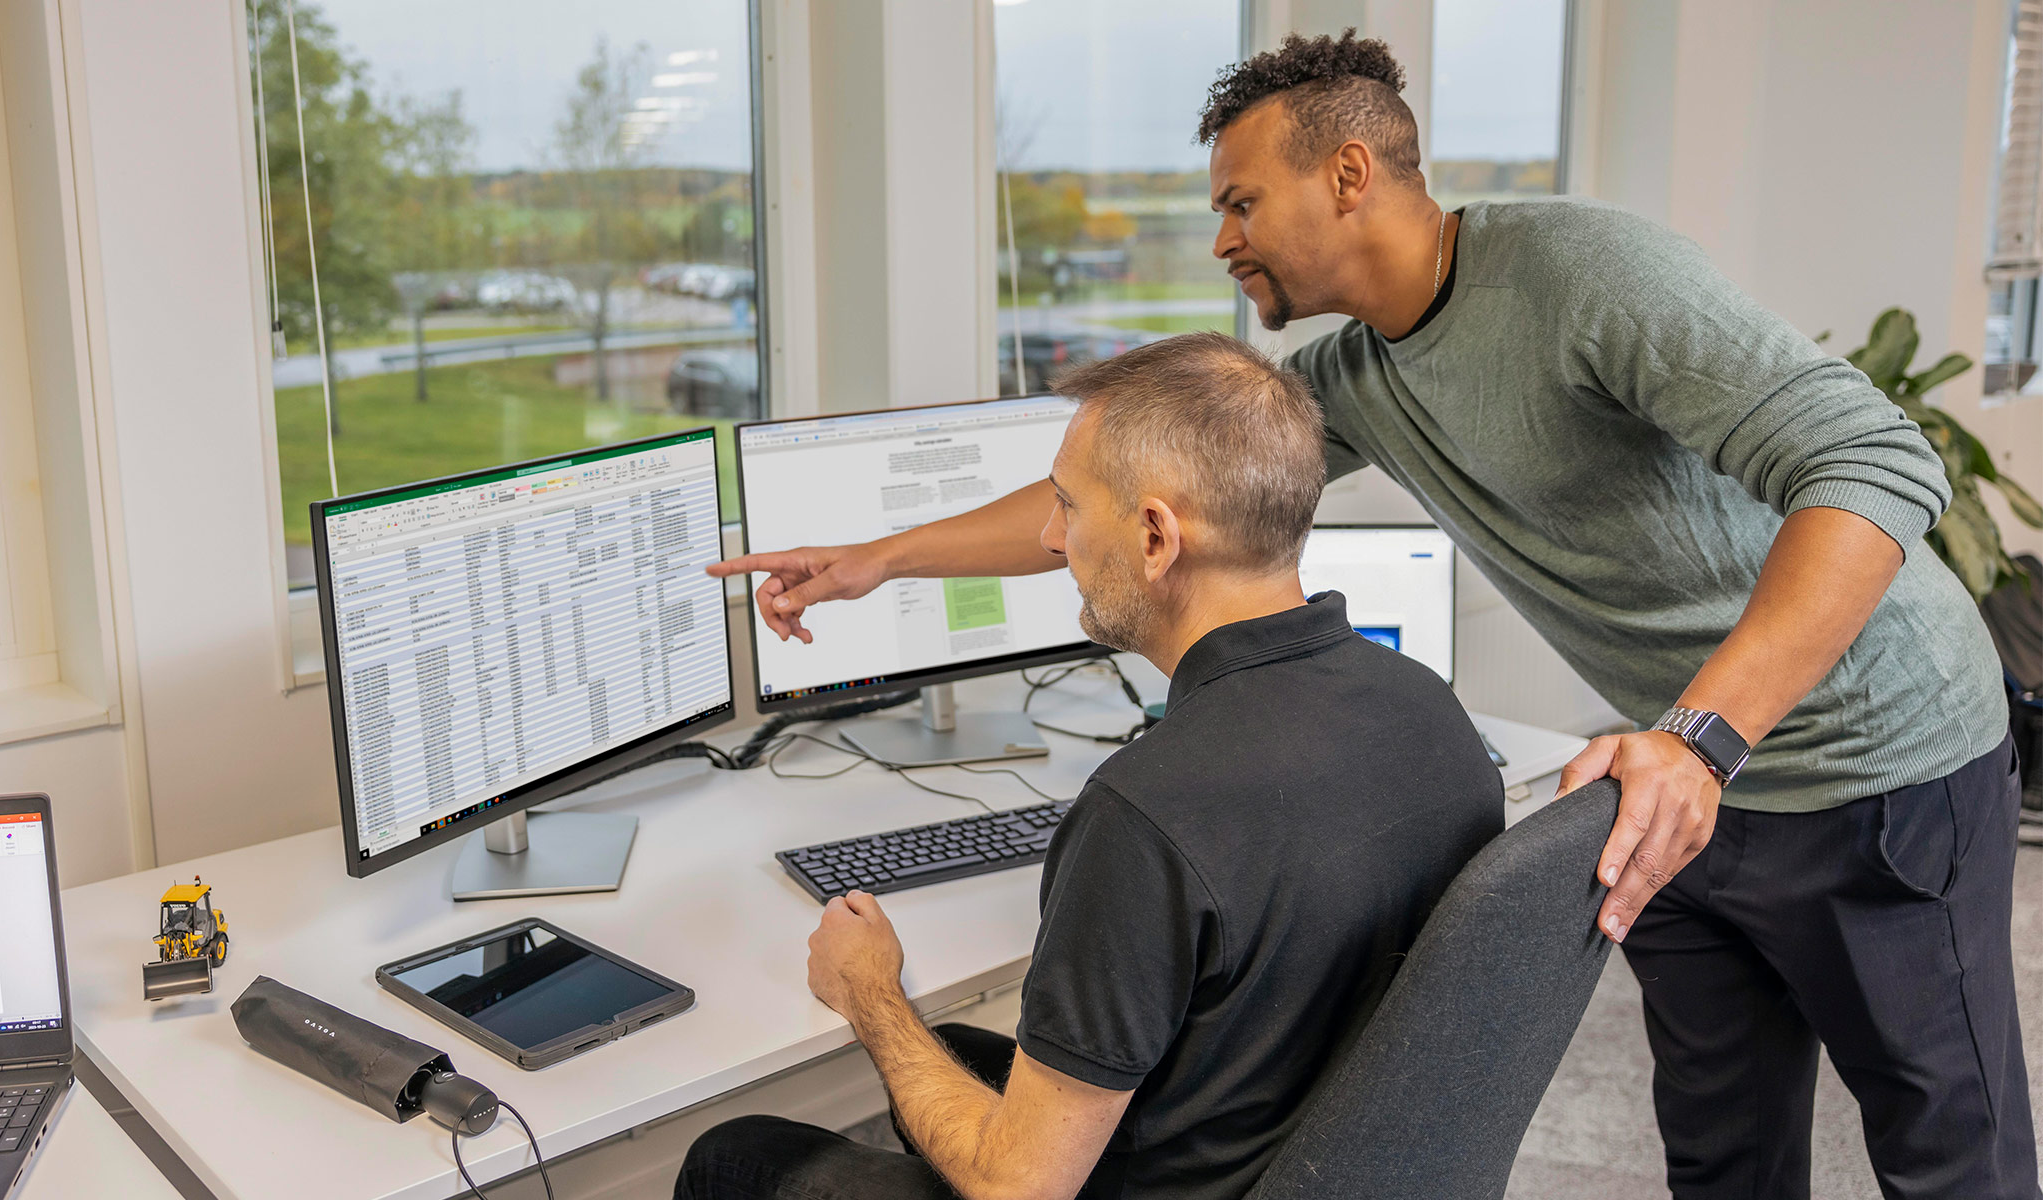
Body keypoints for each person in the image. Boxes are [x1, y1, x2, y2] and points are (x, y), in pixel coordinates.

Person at [708, 30, 2031, 1200]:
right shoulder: (1360, 375)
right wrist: (879, 558)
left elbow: (1877, 464)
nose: (1220, 239)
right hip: (1679, 776)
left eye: (1239, 202)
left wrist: (1703, 739)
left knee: (1945, 1152)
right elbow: (1134, 490)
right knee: (1723, 1151)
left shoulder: (1583, 274)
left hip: (1874, 756)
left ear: (1347, 173)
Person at [676, 333, 1504, 1200]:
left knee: (736, 1152)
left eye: (1067, 506)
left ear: (1154, 536)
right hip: (1294, 1149)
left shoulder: (1148, 810)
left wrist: (869, 994)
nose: (1048, 537)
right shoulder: (1430, 709)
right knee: (956, 1055)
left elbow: (1019, 1189)